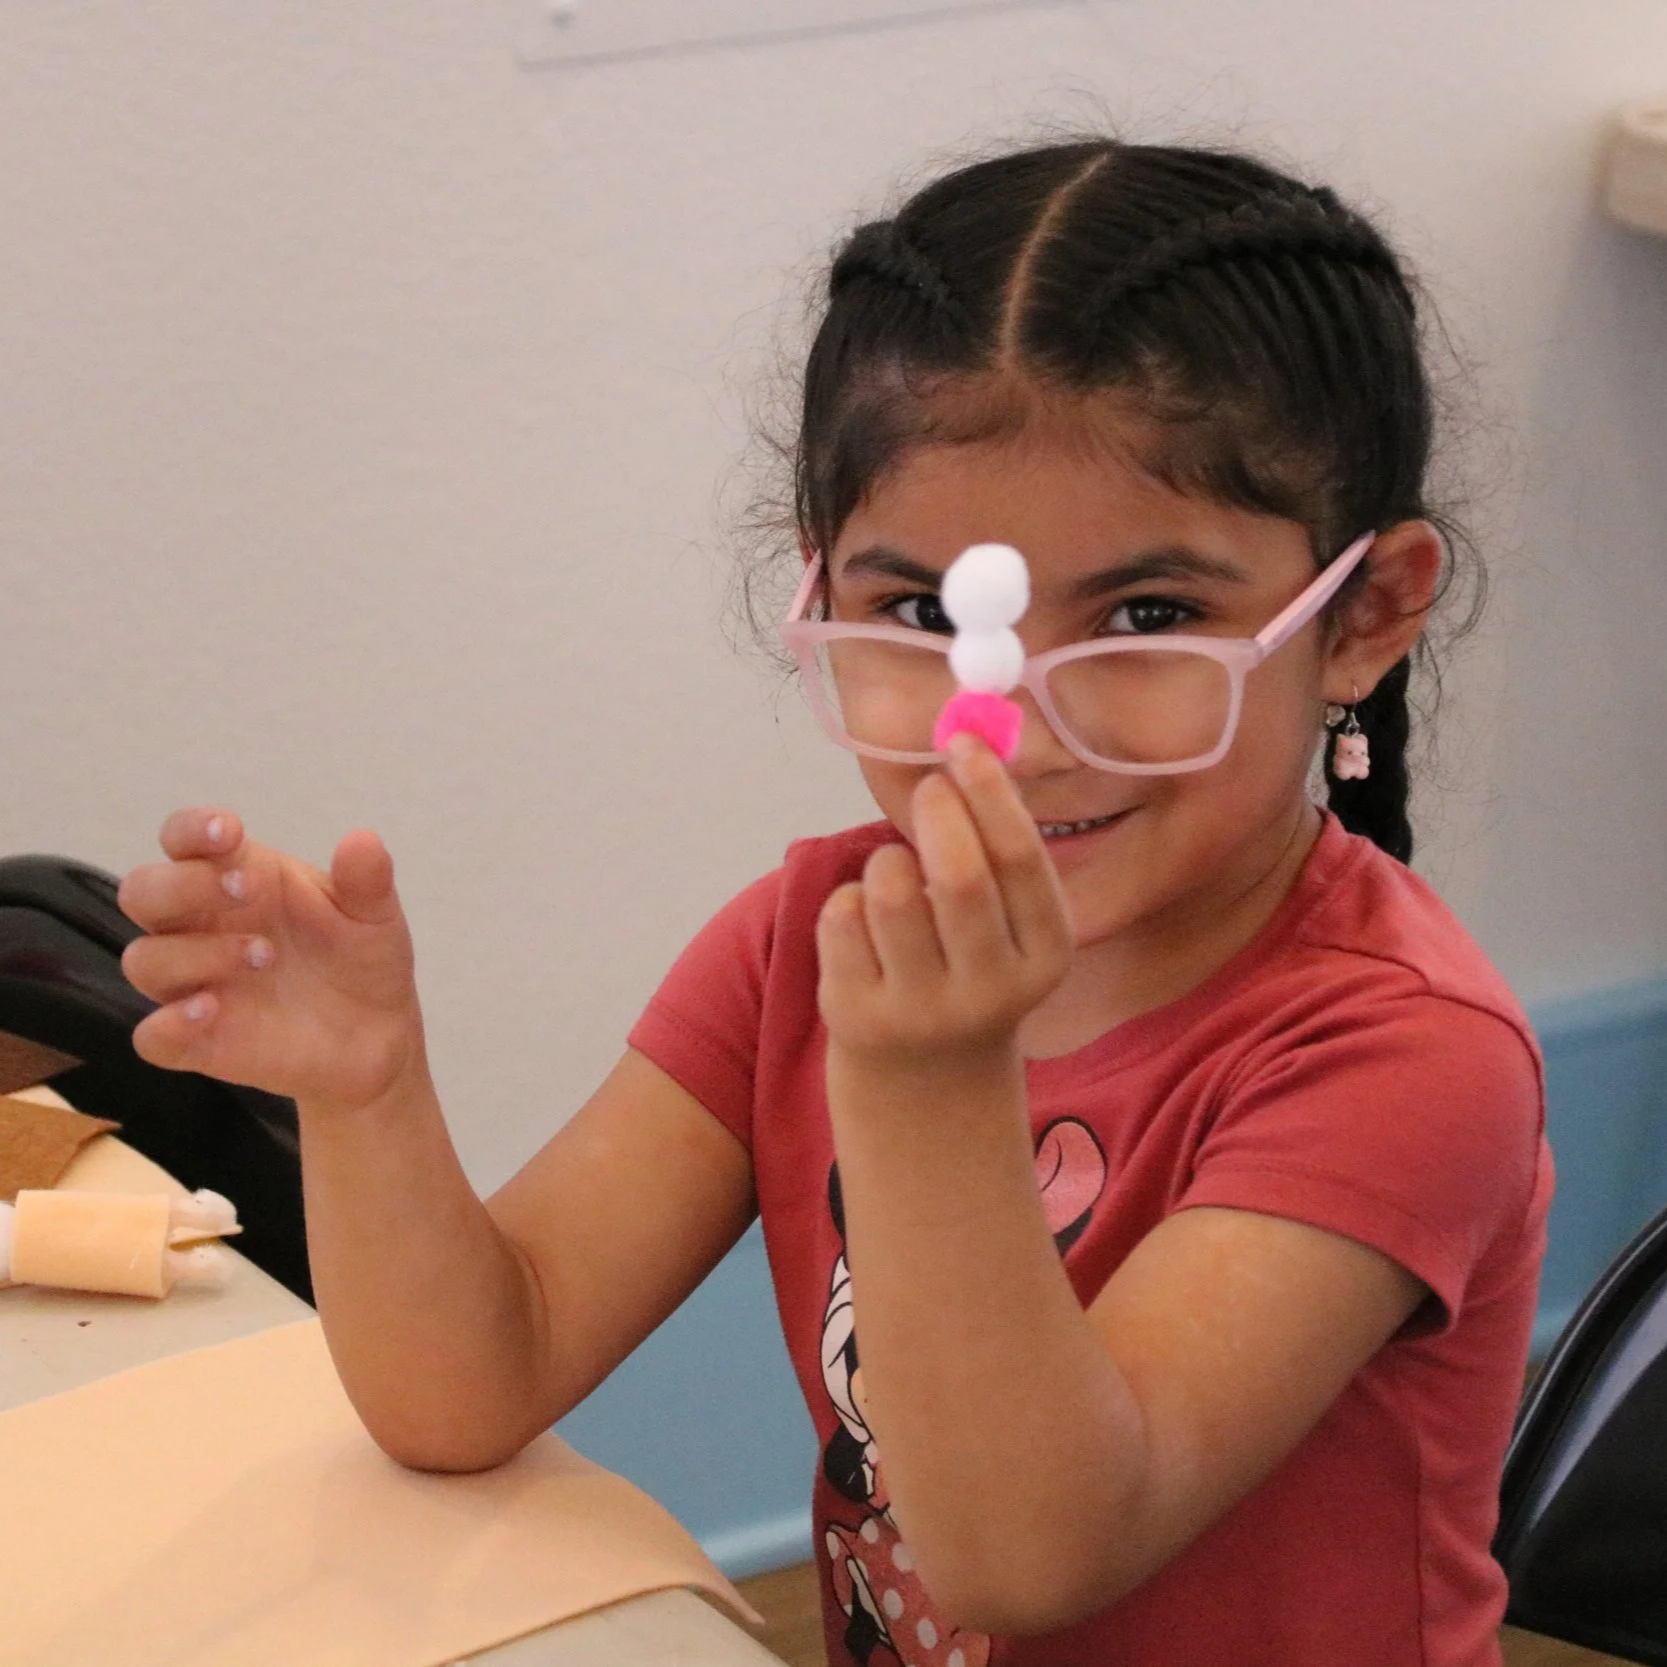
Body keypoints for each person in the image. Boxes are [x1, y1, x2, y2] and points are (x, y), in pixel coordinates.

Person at [116, 139, 1551, 1667]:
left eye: (1149, 615)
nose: (1016, 729)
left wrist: (929, 1089)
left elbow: (1031, 1553)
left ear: (1365, 614)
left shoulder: (1404, 1056)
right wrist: (367, 1095)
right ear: (822, 594)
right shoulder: (806, 941)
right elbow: (471, 1385)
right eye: (923, 611)